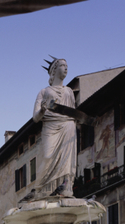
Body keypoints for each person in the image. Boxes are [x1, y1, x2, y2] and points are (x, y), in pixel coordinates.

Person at [32, 57, 76, 197]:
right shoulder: (44, 92)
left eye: (66, 65)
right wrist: (43, 110)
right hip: (50, 126)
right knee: (47, 156)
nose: (66, 68)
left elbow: (73, 112)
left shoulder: (69, 91)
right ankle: (39, 189)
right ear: (54, 70)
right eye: (62, 65)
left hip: (68, 125)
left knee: (67, 158)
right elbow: (35, 117)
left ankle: (66, 187)